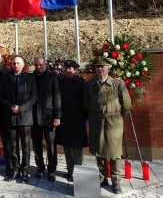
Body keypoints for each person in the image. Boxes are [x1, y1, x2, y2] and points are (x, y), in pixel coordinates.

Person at [83, 57, 132, 194]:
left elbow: (127, 105)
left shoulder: (117, 84)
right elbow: (86, 103)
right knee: (99, 150)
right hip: (96, 120)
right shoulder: (88, 84)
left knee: (114, 152)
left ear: (108, 68)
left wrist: (118, 116)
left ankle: (116, 181)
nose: (100, 69)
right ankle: (102, 177)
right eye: (97, 66)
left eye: (103, 66)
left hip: (113, 121)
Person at [0, 56, 36, 182]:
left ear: (23, 64)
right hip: (10, 116)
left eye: (18, 63)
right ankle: (14, 170)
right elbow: (1, 96)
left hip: (25, 117)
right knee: (11, 146)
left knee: (25, 147)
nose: (15, 65)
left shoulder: (30, 78)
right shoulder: (6, 77)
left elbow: (33, 97)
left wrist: (21, 108)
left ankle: (25, 171)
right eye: (14, 63)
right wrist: (10, 107)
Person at [55, 60, 88, 181]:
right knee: (67, 146)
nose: (67, 70)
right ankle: (70, 171)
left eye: (70, 69)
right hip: (64, 119)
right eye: (66, 68)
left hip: (78, 120)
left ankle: (78, 172)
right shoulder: (60, 82)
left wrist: (86, 118)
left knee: (77, 147)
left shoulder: (81, 83)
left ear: (76, 70)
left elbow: (86, 101)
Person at [32, 57, 61, 182]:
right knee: (37, 145)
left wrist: (57, 116)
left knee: (51, 146)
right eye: (36, 65)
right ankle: (40, 168)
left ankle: (52, 170)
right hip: (33, 118)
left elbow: (57, 97)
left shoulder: (52, 76)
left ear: (45, 64)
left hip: (49, 117)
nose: (38, 67)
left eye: (41, 65)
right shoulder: (30, 77)